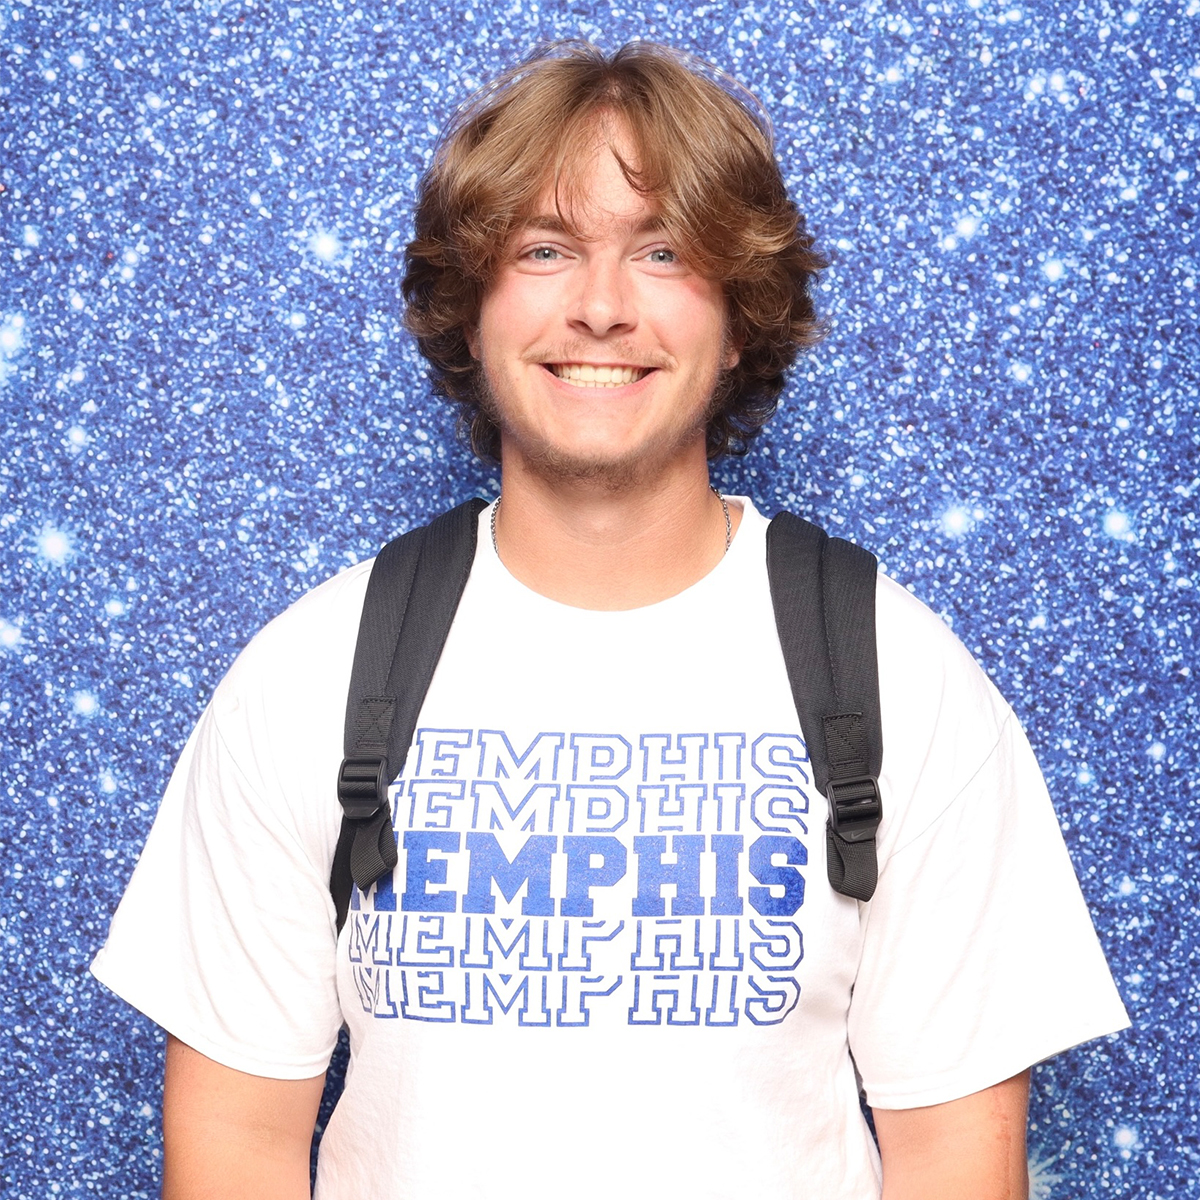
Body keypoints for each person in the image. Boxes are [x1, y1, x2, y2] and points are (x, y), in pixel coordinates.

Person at [91, 40, 1128, 1200]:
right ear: (470, 308)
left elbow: (955, 1155)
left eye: (663, 250)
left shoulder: (896, 675)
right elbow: (236, 1141)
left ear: (740, 316)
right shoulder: (312, 674)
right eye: (544, 249)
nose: (599, 308)